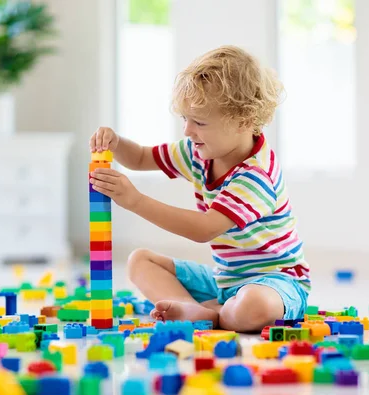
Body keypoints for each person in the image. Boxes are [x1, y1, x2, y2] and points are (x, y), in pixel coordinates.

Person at [89, 45, 310, 332]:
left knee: (253, 305)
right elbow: (141, 157)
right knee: (139, 261)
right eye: (185, 119)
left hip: (277, 283)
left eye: (200, 122)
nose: (187, 131)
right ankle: (198, 310)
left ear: (243, 120)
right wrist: (116, 143)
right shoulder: (199, 151)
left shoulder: (256, 175)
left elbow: (204, 228)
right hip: (224, 281)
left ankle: (217, 315)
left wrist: (135, 201)